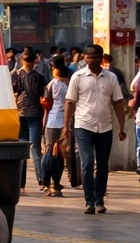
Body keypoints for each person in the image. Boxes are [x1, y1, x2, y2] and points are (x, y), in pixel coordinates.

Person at [65, 44, 128, 214]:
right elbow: (70, 102)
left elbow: (118, 102)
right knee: (87, 163)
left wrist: (121, 127)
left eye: (96, 57)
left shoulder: (111, 77)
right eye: (89, 57)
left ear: (102, 58)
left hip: (105, 127)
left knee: (102, 165)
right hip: (83, 126)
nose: (92, 60)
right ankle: (89, 200)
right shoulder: (77, 77)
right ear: (84, 58)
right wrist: (66, 127)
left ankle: (99, 200)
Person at [11, 48, 49, 191]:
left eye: (30, 60)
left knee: (35, 148)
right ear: (22, 60)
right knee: (24, 149)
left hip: (34, 114)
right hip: (21, 114)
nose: (29, 63)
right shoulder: (16, 74)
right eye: (27, 60)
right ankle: (22, 182)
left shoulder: (38, 76)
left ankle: (41, 179)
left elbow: (44, 95)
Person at [41, 62, 70, 196]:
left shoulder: (52, 84)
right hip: (65, 122)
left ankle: (47, 182)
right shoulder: (69, 84)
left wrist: (43, 125)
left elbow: (46, 105)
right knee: (59, 155)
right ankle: (56, 184)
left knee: (50, 152)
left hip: (52, 121)